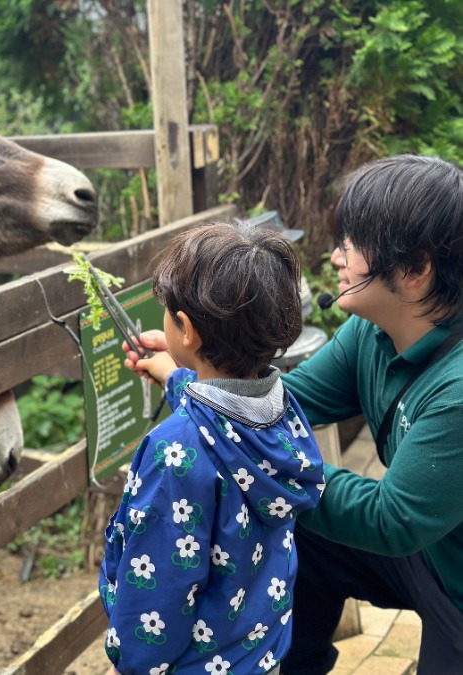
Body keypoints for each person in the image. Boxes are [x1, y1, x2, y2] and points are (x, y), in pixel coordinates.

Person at [124, 154, 463, 675]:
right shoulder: (372, 333)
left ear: (415, 270)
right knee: (292, 520)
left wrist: (266, 469)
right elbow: (280, 405)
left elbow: (393, 520)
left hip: (450, 578)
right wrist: (194, 370)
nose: (336, 256)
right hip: (425, 550)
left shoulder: (457, 390)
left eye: (351, 245)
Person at [101, 222, 325, 675]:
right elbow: (228, 413)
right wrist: (173, 371)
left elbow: (158, 595)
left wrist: (131, 662)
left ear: (185, 328)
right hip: (259, 656)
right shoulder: (283, 408)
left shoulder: (174, 452)